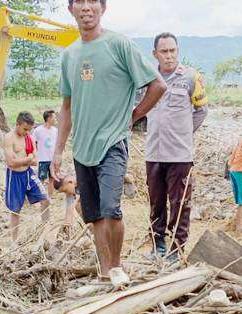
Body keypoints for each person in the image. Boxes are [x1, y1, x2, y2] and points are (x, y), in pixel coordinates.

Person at [52, 0, 166, 286]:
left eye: (93, 1)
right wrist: (57, 150)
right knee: (93, 215)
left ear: (103, 8)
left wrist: (134, 116)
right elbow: (66, 108)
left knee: (111, 209)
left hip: (113, 142)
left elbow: (158, 85)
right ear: (71, 9)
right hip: (82, 148)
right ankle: (105, 275)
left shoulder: (119, 44)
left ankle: (116, 270)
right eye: (80, 2)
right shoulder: (70, 55)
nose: (86, 7)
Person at [144, 32, 209, 258]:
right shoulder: (148, 78)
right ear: (155, 54)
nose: (169, 56)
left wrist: (183, 134)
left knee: (180, 203)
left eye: (172, 50)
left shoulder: (191, 77)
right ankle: (157, 244)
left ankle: (177, 248)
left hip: (180, 154)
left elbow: (201, 111)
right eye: (164, 51)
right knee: (156, 202)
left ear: (177, 51)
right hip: (153, 152)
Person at [3, 112, 51, 241]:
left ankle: (45, 233)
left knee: (45, 199)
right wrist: (28, 158)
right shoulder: (9, 138)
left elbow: (35, 161)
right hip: (14, 176)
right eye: (25, 129)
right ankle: (15, 241)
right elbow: (11, 162)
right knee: (15, 210)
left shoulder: (29, 138)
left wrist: (25, 159)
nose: (27, 132)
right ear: (17, 125)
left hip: (29, 173)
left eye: (29, 130)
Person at [32, 110, 59, 198]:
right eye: (54, 117)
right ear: (49, 118)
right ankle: (40, 196)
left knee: (52, 178)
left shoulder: (55, 130)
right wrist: (35, 154)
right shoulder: (38, 130)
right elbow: (33, 142)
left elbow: (58, 143)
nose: (55, 119)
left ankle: (50, 196)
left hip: (53, 159)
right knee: (41, 179)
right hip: (43, 159)